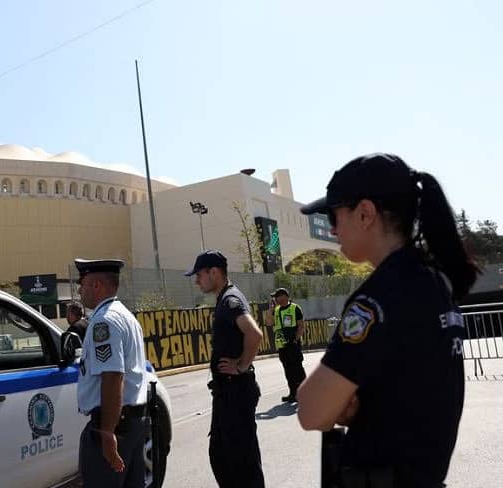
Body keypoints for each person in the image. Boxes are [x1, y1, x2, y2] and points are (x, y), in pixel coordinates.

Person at [296, 153, 480, 488]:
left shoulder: (379, 298)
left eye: (333, 215)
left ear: (365, 213)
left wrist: (340, 404)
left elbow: (311, 412)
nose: (332, 229)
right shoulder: (434, 280)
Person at [185, 250, 265, 488]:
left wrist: (242, 366)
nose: (197, 280)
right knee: (222, 455)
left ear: (214, 272)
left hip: (236, 392)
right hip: (227, 393)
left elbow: (254, 333)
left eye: (199, 275)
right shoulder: (226, 299)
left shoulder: (231, 301)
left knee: (241, 461)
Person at [74, 258, 148, 488]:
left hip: (115, 426)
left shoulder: (103, 322)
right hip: (133, 422)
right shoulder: (125, 316)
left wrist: (107, 433)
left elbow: (113, 377)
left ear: (96, 285)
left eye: (82, 283)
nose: (79, 289)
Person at [269, 287, 306, 402]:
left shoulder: (295, 308)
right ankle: (293, 393)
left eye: (277, 296)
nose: (275, 299)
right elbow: (269, 323)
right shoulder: (276, 310)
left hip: (293, 344)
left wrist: (296, 339)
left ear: (284, 296)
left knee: (298, 370)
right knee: (288, 370)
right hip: (282, 346)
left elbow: (301, 326)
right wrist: (270, 310)